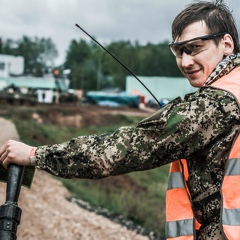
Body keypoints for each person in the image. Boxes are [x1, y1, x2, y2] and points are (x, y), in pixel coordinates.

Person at [0, 0, 240, 239]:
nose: (185, 61)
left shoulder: (214, 104)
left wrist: (35, 155)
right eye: (179, 51)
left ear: (226, 43)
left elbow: (121, 150)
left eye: (195, 47)